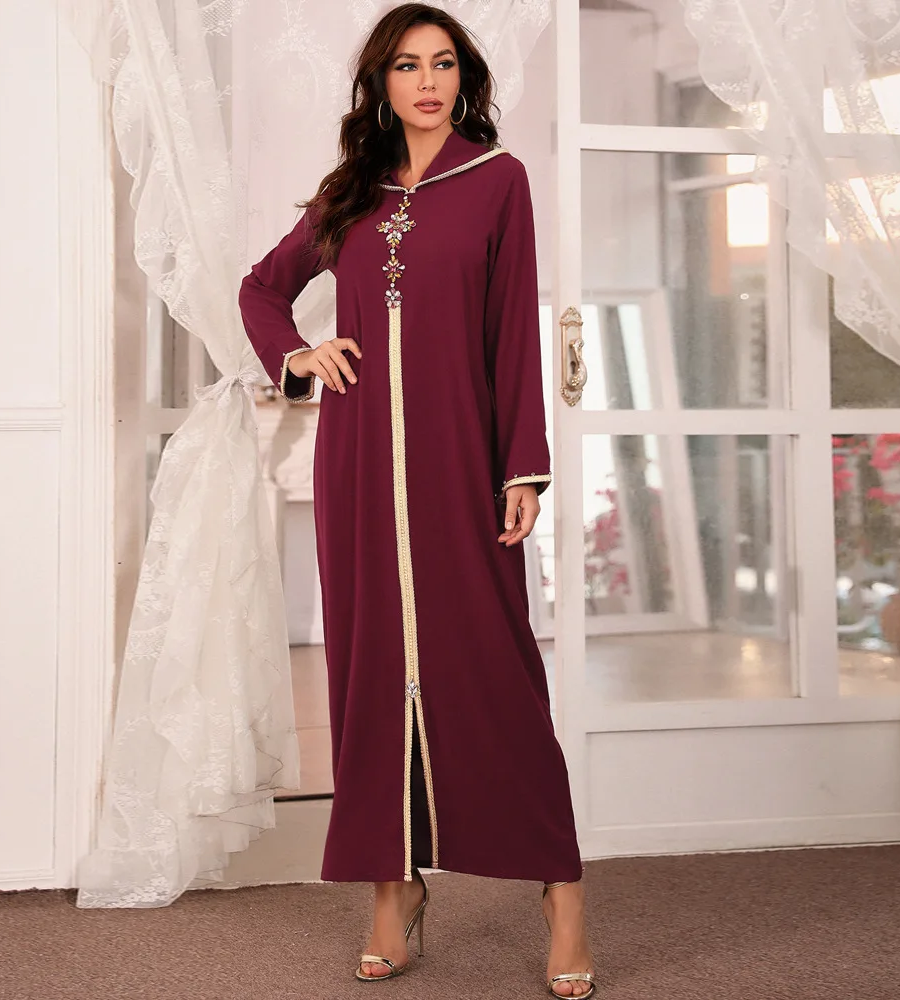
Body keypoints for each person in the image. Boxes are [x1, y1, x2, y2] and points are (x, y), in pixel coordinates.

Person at [238, 4, 597, 996]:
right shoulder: (349, 192)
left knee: (497, 673)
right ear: (381, 84)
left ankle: (561, 888)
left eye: (443, 64)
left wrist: (521, 466)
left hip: (460, 457)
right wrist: (299, 357)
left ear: (463, 79)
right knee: (367, 677)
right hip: (358, 463)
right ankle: (393, 892)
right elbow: (262, 290)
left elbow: (513, 333)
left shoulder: (497, 180)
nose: (428, 81)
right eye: (407, 65)